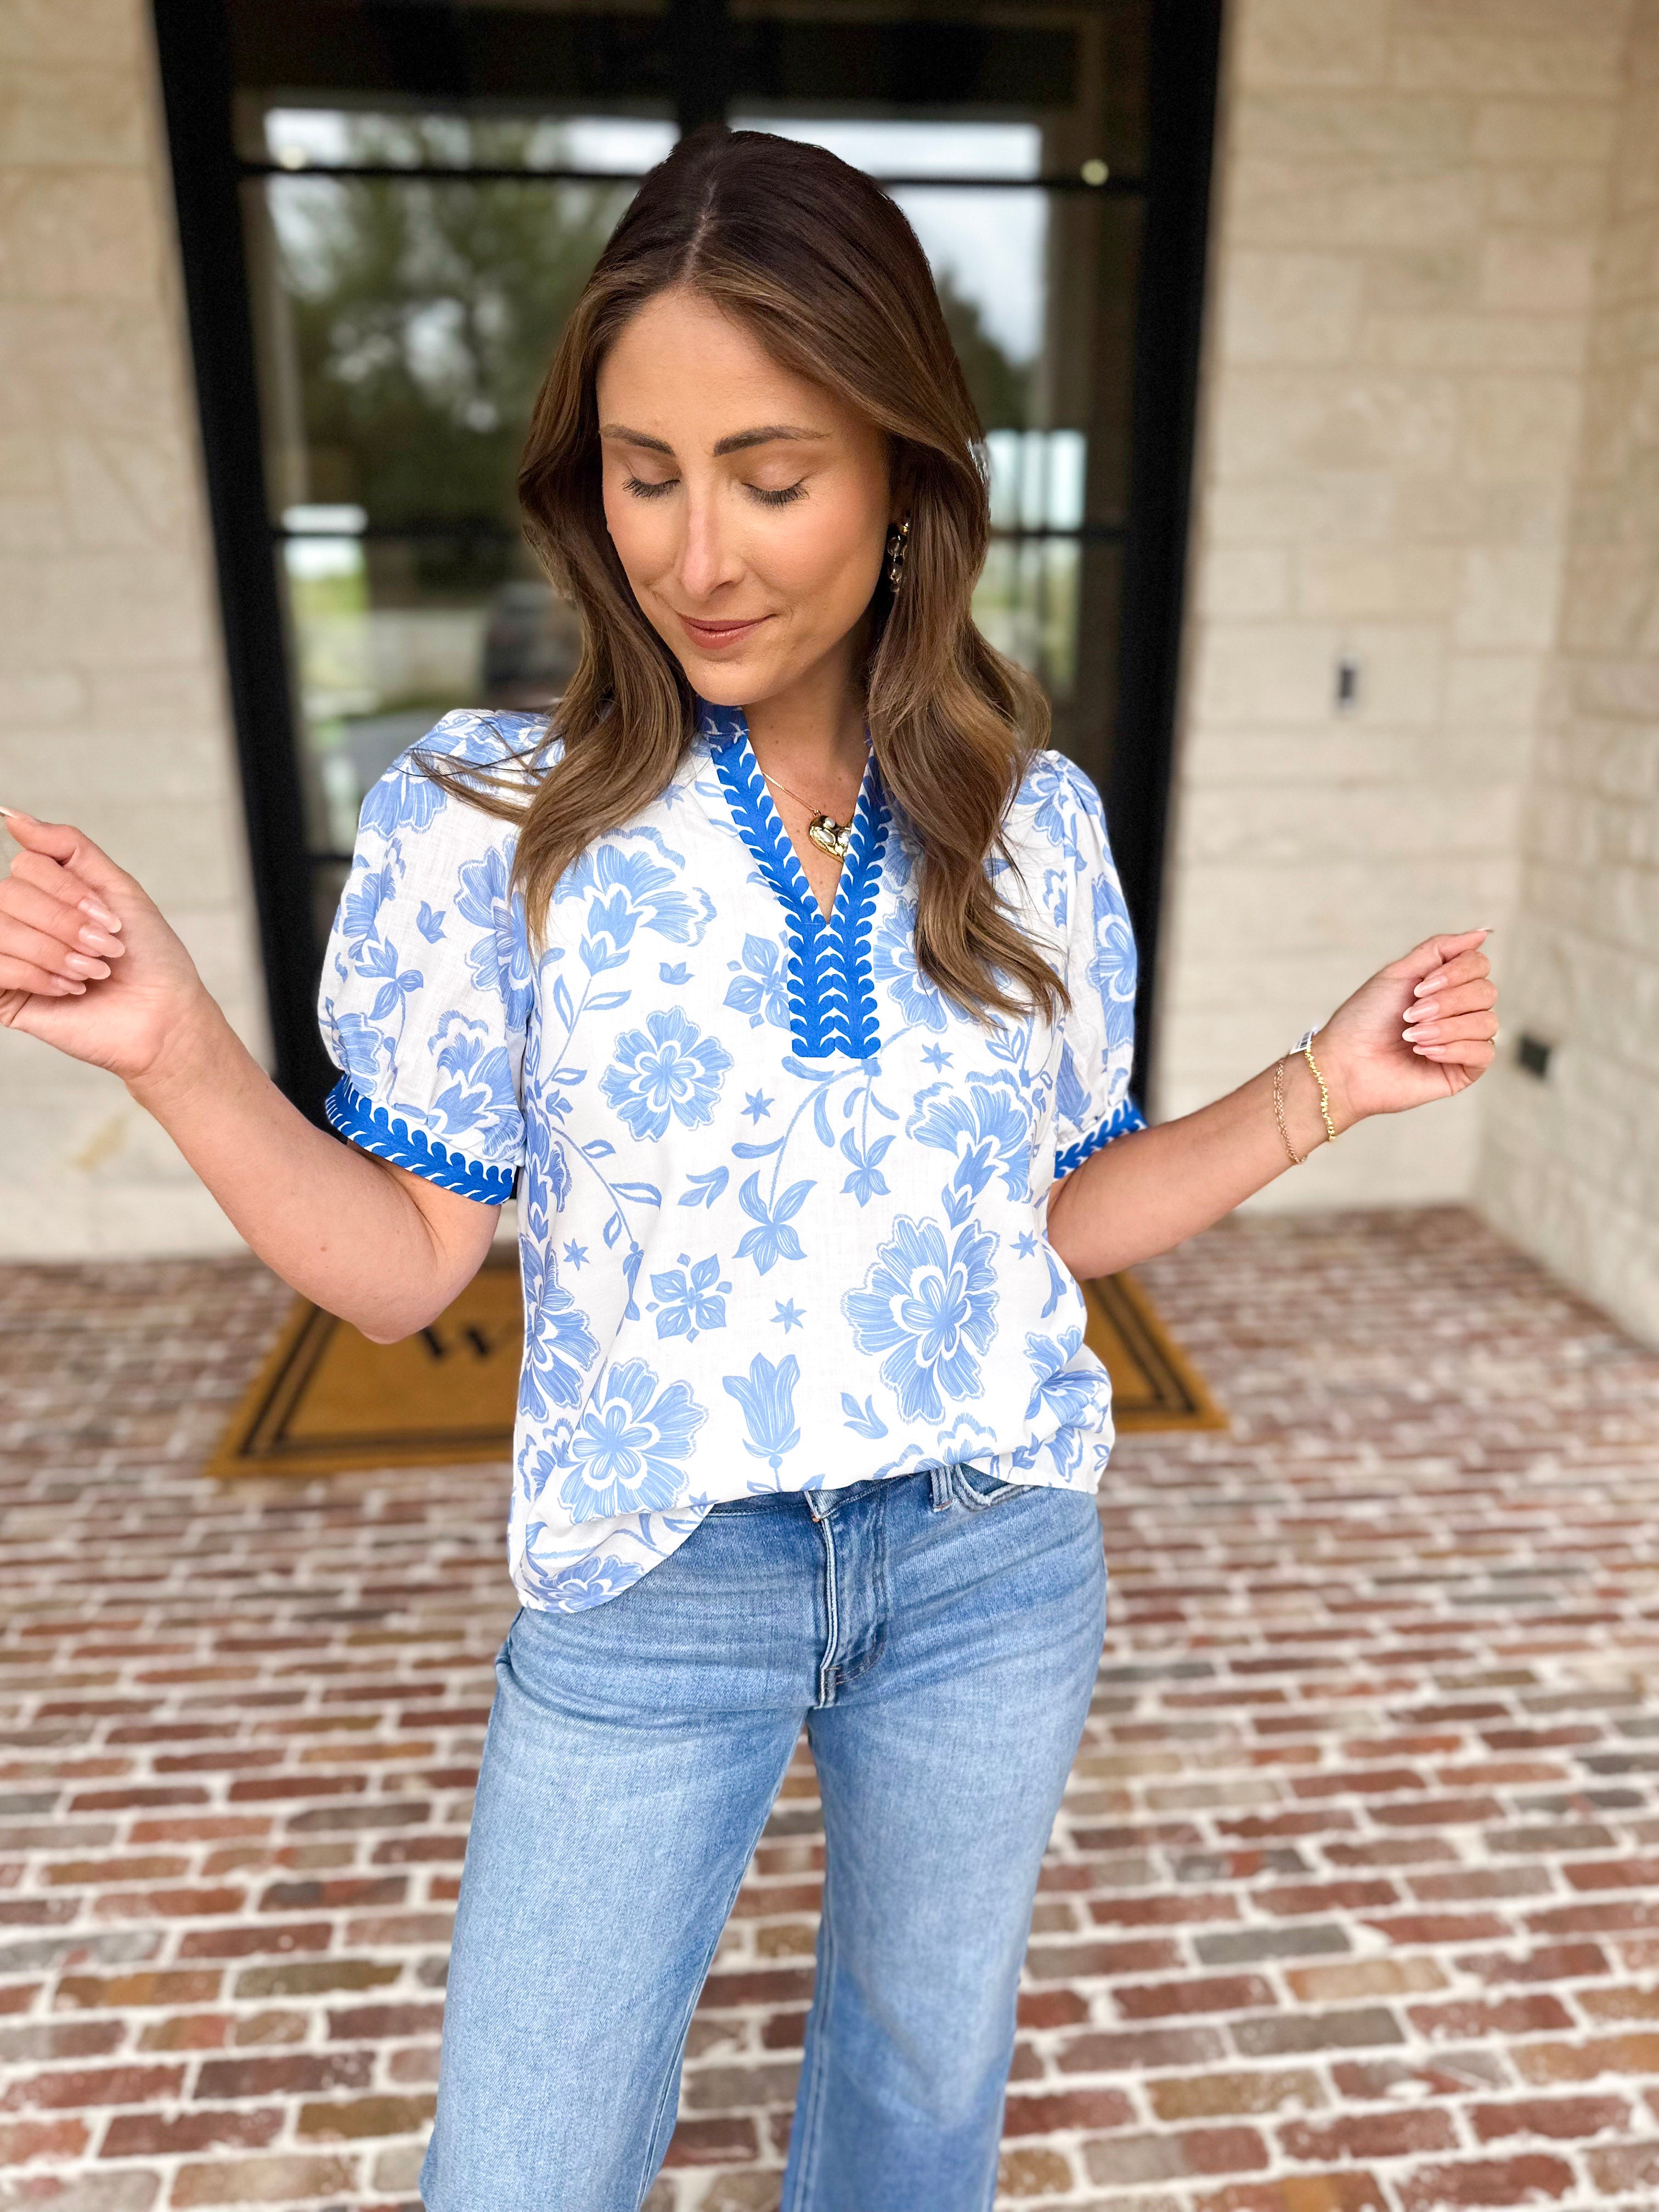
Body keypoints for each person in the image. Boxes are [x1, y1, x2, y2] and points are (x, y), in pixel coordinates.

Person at [0, 128, 1497, 2212]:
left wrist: (1323, 1087)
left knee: (913, 2112)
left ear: (903, 481)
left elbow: (1055, 1222)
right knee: (519, 2170)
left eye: (772, 477)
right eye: (645, 473)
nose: (696, 553)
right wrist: (175, 1045)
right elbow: (403, 1267)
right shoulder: (489, 819)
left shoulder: (1030, 825)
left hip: (987, 1561)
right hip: (652, 1586)